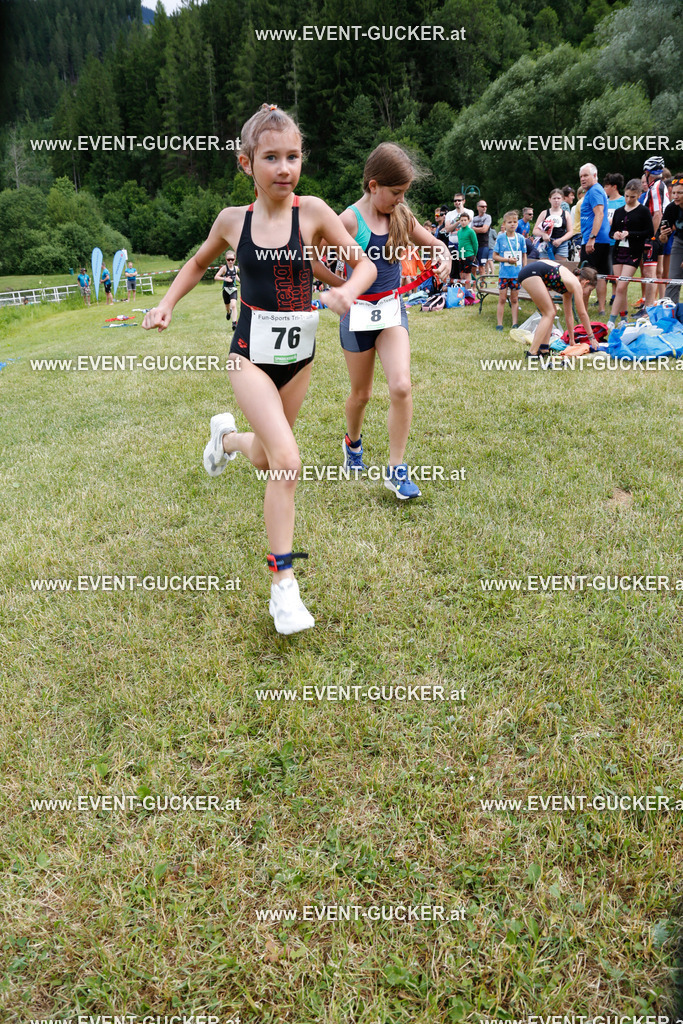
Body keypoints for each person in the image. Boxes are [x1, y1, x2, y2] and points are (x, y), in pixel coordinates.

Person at [142, 103, 376, 634]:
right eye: (271, 157)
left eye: (293, 156)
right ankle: (283, 588)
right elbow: (200, 262)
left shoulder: (313, 212)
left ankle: (224, 440)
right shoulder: (233, 221)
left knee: (273, 462)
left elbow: (364, 262)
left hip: (300, 358)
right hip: (248, 354)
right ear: (246, 162)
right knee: (289, 461)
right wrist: (167, 305)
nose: (284, 168)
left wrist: (347, 290)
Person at [335, 142, 451, 499]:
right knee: (361, 394)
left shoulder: (401, 216)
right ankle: (352, 445)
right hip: (356, 316)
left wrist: (444, 257)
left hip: (390, 311)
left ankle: (396, 470)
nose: (401, 200)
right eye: (396, 193)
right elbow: (312, 256)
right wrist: (339, 286)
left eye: (405, 193)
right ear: (373, 186)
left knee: (401, 386)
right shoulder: (348, 220)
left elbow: (436, 245)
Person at [517, 259, 598, 357]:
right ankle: (532, 352)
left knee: (551, 312)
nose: (587, 293)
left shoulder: (568, 287)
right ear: (585, 282)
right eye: (589, 290)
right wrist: (591, 337)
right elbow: (582, 313)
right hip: (531, 273)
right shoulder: (576, 284)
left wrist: (572, 340)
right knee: (549, 312)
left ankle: (544, 349)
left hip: (530, 273)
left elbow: (569, 315)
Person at [608, 178, 654, 326]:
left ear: (639, 195)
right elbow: (612, 231)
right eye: (626, 196)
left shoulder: (643, 211)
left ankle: (611, 320)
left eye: (632, 197)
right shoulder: (619, 211)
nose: (628, 199)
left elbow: (649, 232)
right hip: (618, 251)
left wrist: (630, 234)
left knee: (621, 286)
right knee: (620, 286)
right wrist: (614, 235)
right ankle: (624, 318)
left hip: (633, 251)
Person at [579, 163, 611, 316]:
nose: (583, 179)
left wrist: (592, 238)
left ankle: (583, 311)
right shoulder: (596, 190)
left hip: (594, 241)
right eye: (581, 176)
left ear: (595, 175)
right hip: (600, 240)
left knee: (585, 277)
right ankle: (602, 309)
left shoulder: (594, 191)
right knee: (601, 275)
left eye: (586, 175)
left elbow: (599, 214)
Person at [641, 157, 670, 305]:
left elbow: (657, 213)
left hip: (656, 233)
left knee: (649, 272)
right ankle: (661, 302)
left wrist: (650, 236)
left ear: (648, 172)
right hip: (662, 232)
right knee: (658, 271)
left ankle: (648, 307)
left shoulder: (655, 187)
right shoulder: (661, 185)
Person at [492, 210, 526, 331]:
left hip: (516, 274)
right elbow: (494, 256)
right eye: (509, 222)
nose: (512, 224)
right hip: (504, 274)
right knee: (502, 299)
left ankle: (515, 323)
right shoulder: (501, 238)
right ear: (504, 224)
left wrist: (524, 270)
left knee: (515, 299)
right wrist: (506, 259)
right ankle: (499, 323)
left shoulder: (521, 238)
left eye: (515, 222)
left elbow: (523, 255)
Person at [531, 189, 573, 262]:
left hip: (561, 244)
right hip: (546, 244)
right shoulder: (544, 213)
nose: (556, 200)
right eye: (554, 198)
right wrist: (543, 234)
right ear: (550, 199)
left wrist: (561, 240)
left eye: (558, 198)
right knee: (545, 266)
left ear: (562, 199)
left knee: (560, 267)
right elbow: (535, 230)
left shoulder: (566, 214)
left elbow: (570, 232)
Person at [661, 175, 683, 305]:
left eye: (680, 193)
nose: (676, 196)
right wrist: (663, 235)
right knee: (674, 279)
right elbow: (662, 239)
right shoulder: (671, 208)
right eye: (674, 192)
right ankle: (669, 314)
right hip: (679, 242)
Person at [214, 250, 239, 328]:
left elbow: (236, 276)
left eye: (232, 259)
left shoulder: (236, 268)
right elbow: (216, 277)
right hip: (226, 290)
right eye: (228, 260)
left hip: (233, 289)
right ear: (226, 259)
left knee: (234, 305)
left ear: (235, 259)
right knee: (227, 307)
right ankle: (228, 313)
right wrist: (225, 278)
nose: (230, 261)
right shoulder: (224, 268)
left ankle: (234, 323)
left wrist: (241, 281)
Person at [452, 211, 478, 288]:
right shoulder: (459, 232)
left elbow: (475, 244)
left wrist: (474, 255)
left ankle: (469, 292)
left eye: (465, 220)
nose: (463, 222)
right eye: (462, 220)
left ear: (468, 220)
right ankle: (463, 292)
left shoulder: (471, 231)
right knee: (461, 275)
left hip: (469, 255)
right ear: (459, 221)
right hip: (461, 255)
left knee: (467, 274)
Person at [472, 199, 492, 275]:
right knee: (473, 266)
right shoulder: (474, 218)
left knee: (481, 266)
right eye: (482, 206)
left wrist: (474, 229)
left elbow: (484, 230)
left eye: (486, 206)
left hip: (484, 245)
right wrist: (477, 229)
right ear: (478, 207)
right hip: (474, 244)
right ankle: (474, 283)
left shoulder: (488, 217)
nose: (484, 208)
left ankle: (482, 284)